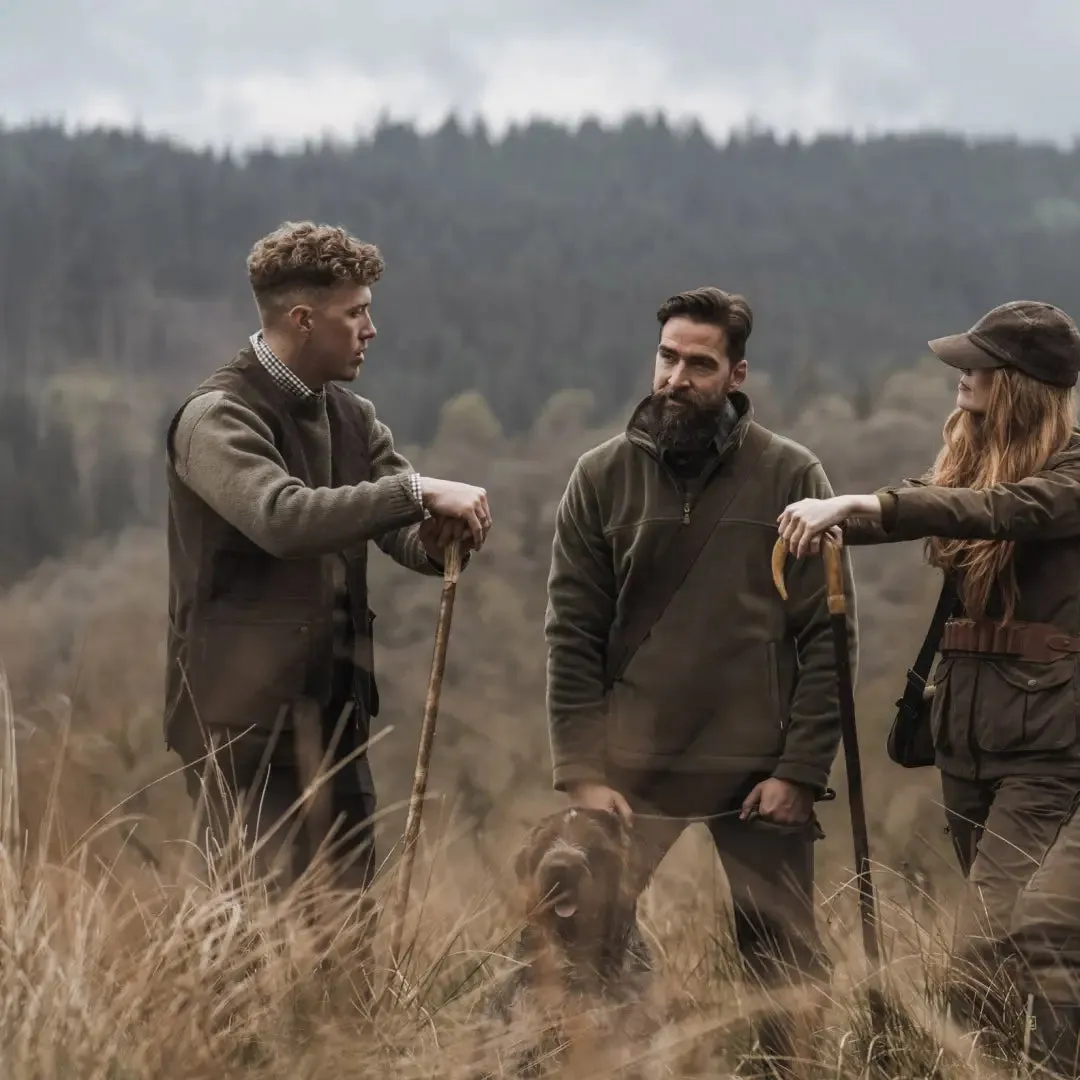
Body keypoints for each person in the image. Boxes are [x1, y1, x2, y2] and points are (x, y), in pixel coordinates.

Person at [544, 286, 857, 1073]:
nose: (677, 377)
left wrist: (800, 772)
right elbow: (572, 633)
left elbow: (827, 637)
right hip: (632, 771)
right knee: (581, 947)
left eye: (700, 363)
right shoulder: (600, 477)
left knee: (782, 967)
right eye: (667, 357)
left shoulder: (791, 474)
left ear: (736, 373)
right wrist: (582, 773)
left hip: (759, 771)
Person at [776, 299, 1080, 1055]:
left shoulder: (1070, 474)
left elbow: (1005, 511)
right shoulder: (971, 464)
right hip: (968, 742)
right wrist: (847, 519)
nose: (959, 377)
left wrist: (865, 502)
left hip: (1049, 749)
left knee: (993, 944)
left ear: (1020, 382)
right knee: (1002, 954)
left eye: (976, 365)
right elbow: (945, 499)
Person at [163, 220, 493, 901]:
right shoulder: (216, 418)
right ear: (303, 319)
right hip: (239, 728)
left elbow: (397, 528)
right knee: (245, 932)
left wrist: (432, 541)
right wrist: (417, 490)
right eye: (357, 313)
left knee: (344, 927)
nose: (371, 329)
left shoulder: (353, 416)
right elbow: (282, 518)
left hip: (337, 714)